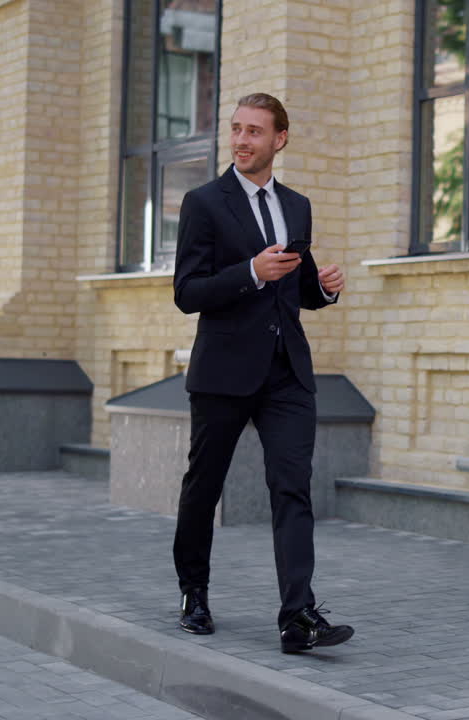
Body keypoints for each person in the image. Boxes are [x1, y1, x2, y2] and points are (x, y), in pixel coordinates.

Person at [171, 92, 352, 654]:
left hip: (286, 372)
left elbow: (291, 291)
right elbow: (187, 293)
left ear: (280, 139)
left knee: (292, 487)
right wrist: (249, 271)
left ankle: (297, 617)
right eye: (236, 130)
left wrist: (319, 290)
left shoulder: (297, 206)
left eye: (254, 131)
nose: (242, 140)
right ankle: (193, 592)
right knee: (205, 487)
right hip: (224, 370)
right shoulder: (203, 203)